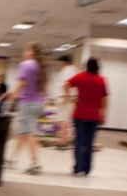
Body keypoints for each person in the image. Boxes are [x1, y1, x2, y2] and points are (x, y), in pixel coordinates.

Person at [6, 42, 47, 175]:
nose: (23, 52)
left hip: (27, 103)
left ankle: (36, 164)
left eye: (26, 50)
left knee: (29, 134)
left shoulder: (26, 64)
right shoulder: (40, 66)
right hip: (38, 103)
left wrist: (13, 95)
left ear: (31, 51)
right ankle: (12, 159)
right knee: (23, 132)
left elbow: (22, 83)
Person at [67, 57, 107, 176]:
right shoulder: (101, 80)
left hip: (79, 114)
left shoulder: (80, 76)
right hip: (94, 116)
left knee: (79, 141)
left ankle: (77, 168)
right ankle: (87, 170)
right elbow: (104, 99)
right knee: (89, 143)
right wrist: (103, 113)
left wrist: (70, 98)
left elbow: (66, 84)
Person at [53, 55, 75, 150]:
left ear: (65, 62)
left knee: (63, 121)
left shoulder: (68, 70)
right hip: (65, 97)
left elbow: (67, 84)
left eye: (60, 62)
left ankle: (63, 141)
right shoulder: (71, 70)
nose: (59, 64)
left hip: (65, 98)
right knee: (64, 121)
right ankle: (63, 140)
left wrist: (66, 97)